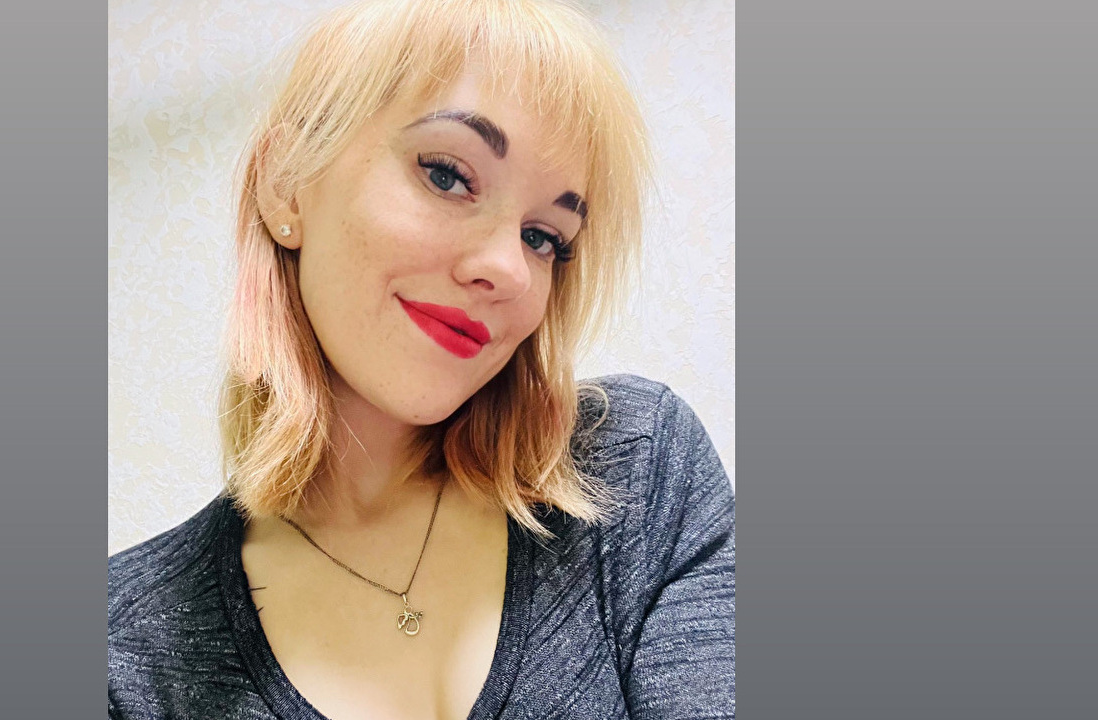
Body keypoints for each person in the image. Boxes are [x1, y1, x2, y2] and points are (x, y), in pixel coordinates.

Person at [107, 0, 735, 717]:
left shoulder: (638, 474)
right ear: (286, 184)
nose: (509, 269)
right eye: (447, 174)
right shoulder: (128, 650)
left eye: (543, 237)